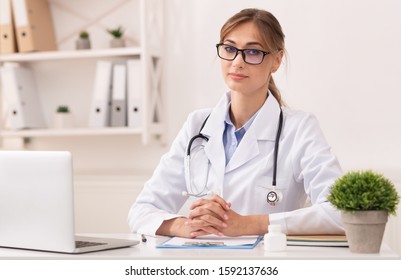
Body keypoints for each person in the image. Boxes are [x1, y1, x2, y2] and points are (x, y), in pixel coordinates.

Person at [128, 8, 344, 238]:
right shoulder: (197, 124)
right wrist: (184, 225)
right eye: (230, 49)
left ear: (277, 60)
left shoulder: (300, 128)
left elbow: (340, 213)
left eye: (253, 52)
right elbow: (141, 211)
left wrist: (249, 225)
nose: (237, 62)